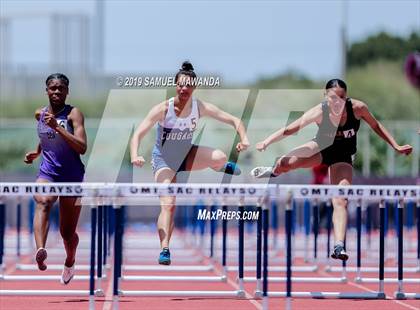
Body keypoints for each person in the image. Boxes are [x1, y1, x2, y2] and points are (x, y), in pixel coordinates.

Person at [250, 78, 412, 261]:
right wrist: (266, 141)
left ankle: (338, 246)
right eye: (333, 98)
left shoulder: (357, 108)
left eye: (341, 98)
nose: (337, 102)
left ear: (347, 97)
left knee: (341, 199)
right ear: (325, 96)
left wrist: (396, 146)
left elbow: (376, 126)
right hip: (321, 148)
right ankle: (275, 170)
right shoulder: (319, 111)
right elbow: (290, 129)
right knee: (286, 163)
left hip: (343, 157)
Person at [130, 61, 250, 265]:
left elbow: (234, 120)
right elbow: (138, 134)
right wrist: (135, 155)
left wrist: (244, 138)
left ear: (194, 87)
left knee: (220, 156)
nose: (184, 88)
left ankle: (221, 166)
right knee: (168, 203)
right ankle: (165, 248)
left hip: (187, 155)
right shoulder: (163, 109)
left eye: (188, 85)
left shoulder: (199, 107)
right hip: (163, 160)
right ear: (175, 86)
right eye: (180, 85)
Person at [24, 73, 87, 284]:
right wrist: (37, 151)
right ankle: (40, 250)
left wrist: (57, 127)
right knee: (43, 201)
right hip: (48, 173)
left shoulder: (74, 114)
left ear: (67, 91)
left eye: (61, 88)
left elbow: (82, 147)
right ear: (47, 91)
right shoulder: (39, 114)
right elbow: (45, 136)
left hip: (72, 176)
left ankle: (70, 261)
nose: (57, 92)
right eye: (53, 88)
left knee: (67, 233)